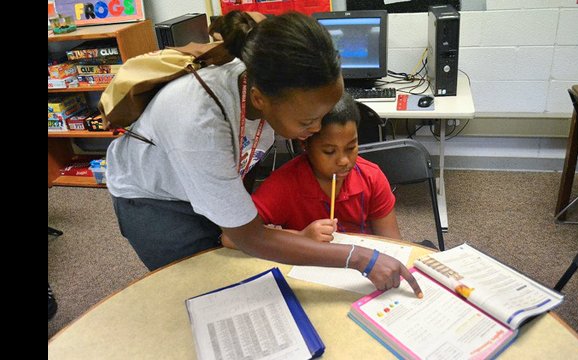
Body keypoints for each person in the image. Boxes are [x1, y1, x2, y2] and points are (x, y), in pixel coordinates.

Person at [106, 11, 422, 297]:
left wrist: (244, 215)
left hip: (202, 178)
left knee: (242, 270)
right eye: (307, 121)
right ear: (260, 99)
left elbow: (245, 169)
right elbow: (250, 237)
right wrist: (359, 258)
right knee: (204, 293)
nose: (316, 128)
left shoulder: (266, 78)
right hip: (154, 202)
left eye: (321, 115)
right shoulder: (198, 122)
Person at [222, 92, 402, 247]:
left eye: (351, 147)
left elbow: (394, 244)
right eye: (329, 151)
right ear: (305, 145)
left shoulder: (371, 177)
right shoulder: (286, 184)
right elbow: (230, 237)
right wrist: (300, 237)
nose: (344, 161)